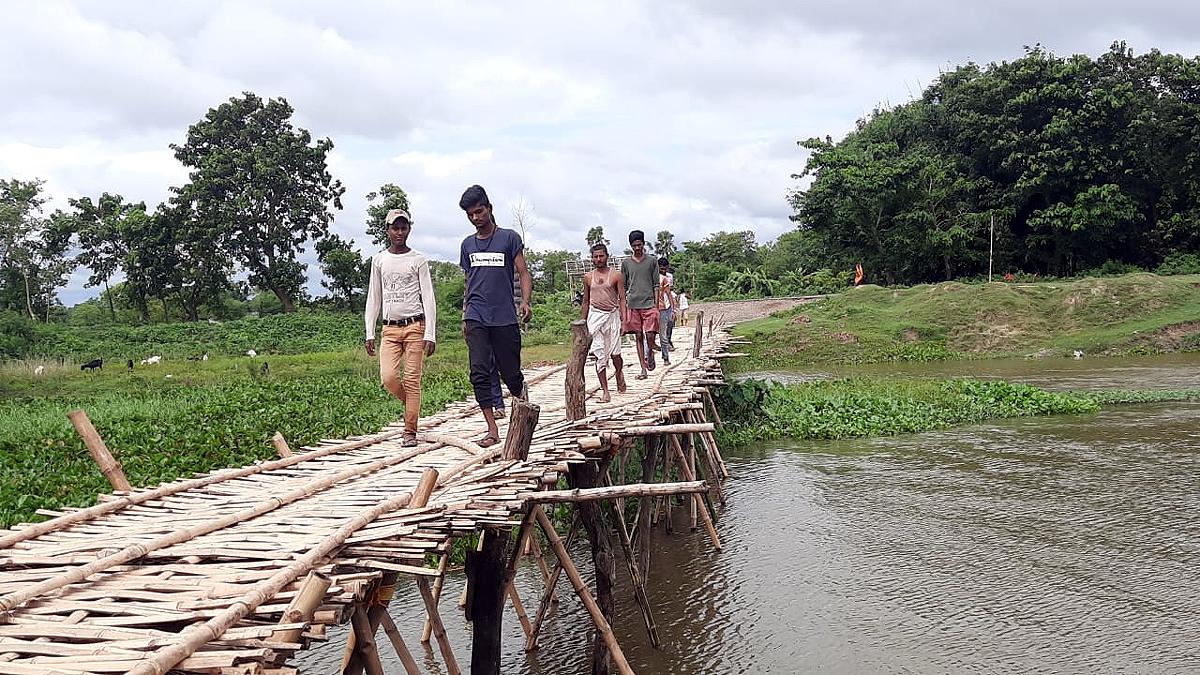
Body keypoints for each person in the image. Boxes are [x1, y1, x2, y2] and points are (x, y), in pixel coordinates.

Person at [459, 184, 532, 446]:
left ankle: (520, 397)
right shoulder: (467, 245)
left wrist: (525, 301)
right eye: (470, 214)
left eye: (479, 211)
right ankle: (492, 430)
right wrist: (465, 315)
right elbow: (469, 281)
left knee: (509, 371)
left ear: (489, 209)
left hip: (504, 317)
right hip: (476, 315)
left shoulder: (509, 238)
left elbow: (523, 272)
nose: (476, 217)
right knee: (478, 371)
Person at [365, 208, 437, 447]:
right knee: (388, 377)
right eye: (394, 228)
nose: (399, 232)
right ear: (387, 230)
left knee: (413, 379)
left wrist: (430, 333)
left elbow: (428, 297)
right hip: (390, 329)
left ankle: (410, 430)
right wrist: (369, 331)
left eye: (403, 227)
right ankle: (411, 405)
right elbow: (374, 297)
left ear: (409, 229)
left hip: (415, 326)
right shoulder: (379, 260)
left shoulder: (418, 260)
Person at [581, 243, 627, 402]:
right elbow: (586, 301)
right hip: (595, 317)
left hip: (612, 317)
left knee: (616, 354)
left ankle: (619, 373)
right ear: (592, 259)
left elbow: (622, 299)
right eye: (595, 256)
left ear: (607, 256)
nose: (599, 259)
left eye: (601, 256)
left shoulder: (616, 276)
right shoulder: (588, 277)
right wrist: (583, 323)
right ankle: (605, 391)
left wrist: (624, 320)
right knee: (599, 354)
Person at [620, 230, 660, 379]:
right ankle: (643, 369)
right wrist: (622, 309)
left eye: (639, 245)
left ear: (643, 243)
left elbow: (656, 284)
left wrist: (656, 305)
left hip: (649, 303)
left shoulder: (652, 261)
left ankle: (650, 350)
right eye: (634, 245)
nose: (637, 248)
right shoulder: (626, 263)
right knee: (638, 336)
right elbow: (623, 287)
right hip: (633, 304)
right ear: (631, 246)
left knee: (650, 334)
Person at [656, 257, 676, 364]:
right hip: (655, 306)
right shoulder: (652, 277)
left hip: (666, 304)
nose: (663, 270)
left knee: (669, 324)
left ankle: (668, 345)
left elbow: (669, 292)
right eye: (661, 268)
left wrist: (673, 309)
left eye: (664, 268)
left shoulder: (668, 277)